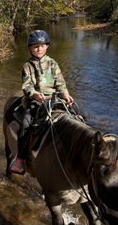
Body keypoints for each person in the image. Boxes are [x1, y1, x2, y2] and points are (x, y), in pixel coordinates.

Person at [10, 29, 74, 175]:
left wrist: (66, 95)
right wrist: (35, 95)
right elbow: (27, 86)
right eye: (35, 46)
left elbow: (60, 83)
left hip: (53, 99)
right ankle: (20, 159)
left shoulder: (53, 64)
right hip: (34, 101)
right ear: (30, 49)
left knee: (77, 115)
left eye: (42, 46)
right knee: (26, 124)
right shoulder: (27, 66)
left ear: (47, 46)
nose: (39, 49)